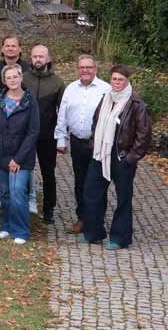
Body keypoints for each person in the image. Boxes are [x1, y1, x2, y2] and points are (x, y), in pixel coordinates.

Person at [81, 65, 152, 250]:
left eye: (120, 79)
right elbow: (96, 122)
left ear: (127, 81)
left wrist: (130, 158)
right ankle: (93, 232)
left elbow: (144, 136)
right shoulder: (106, 98)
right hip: (100, 154)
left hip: (122, 156)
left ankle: (119, 238)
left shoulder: (137, 105)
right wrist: (93, 144)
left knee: (123, 198)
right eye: (114, 79)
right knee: (91, 193)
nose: (117, 83)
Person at [0, 65, 40, 245]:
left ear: (21, 78)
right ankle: (6, 226)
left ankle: (21, 230)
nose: (13, 80)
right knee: (6, 193)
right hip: (0, 154)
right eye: (8, 77)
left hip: (21, 156)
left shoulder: (29, 101)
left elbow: (33, 132)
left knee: (18, 192)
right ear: (4, 81)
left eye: (15, 76)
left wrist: (18, 159)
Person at [55, 54, 108, 234]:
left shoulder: (105, 89)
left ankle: (96, 221)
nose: (85, 70)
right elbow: (62, 114)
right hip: (77, 142)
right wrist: (61, 138)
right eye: (82, 67)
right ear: (78, 69)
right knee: (80, 182)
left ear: (95, 69)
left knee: (97, 183)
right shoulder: (71, 88)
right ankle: (83, 218)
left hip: (98, 144)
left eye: (89, 67)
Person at [23, 44, 65, 223]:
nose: (38, 59)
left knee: (48, 174)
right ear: (30, 58)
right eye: (34, 56)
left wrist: (62, 137)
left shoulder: (57, 82)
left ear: (48, 58)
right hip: (26, 135)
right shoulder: (23, 79)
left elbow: (62, 111)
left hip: (48, 136)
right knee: (24, 171)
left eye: (41, 56)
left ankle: (49, 209)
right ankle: (24, 205)